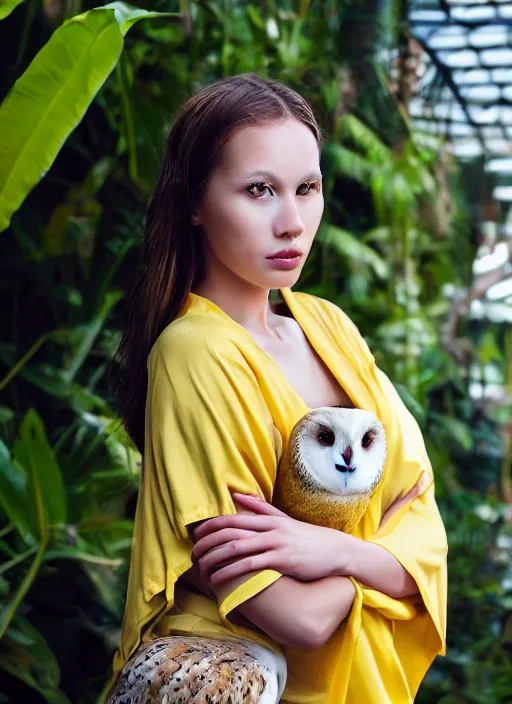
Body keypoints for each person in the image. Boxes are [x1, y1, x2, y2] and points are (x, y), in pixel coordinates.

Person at [108, 73, 447, 703]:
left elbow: (427, 522)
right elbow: (299, 618)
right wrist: (377, 557)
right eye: (259, 190)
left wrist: (324, 548)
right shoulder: (195, 352)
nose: (292, 222)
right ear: (195, 201)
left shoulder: (329, 327)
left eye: (307, 188)